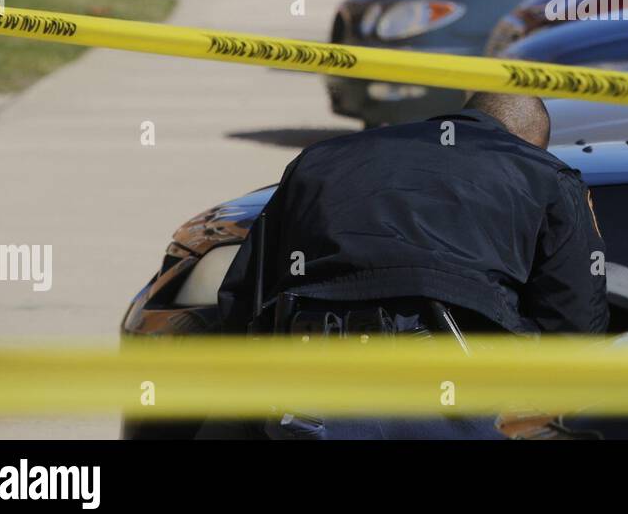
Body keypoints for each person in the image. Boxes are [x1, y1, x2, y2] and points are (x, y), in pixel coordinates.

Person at [217, 91, 607, 337]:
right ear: (533, 143)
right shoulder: (546, 176)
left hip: (313, 373)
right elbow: (574, 323)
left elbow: (243, 294)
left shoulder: (323, 157)